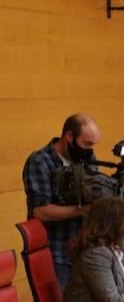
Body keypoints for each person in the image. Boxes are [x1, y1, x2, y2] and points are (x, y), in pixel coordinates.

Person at [22, 113, 102, 288]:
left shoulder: (87, 158)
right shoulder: (40, 161)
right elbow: (40, 211)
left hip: (84, 248)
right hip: (55, 253)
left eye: (93, 145)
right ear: (69, 136)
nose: (90, 151)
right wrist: (82, 209)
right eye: (86, 144)